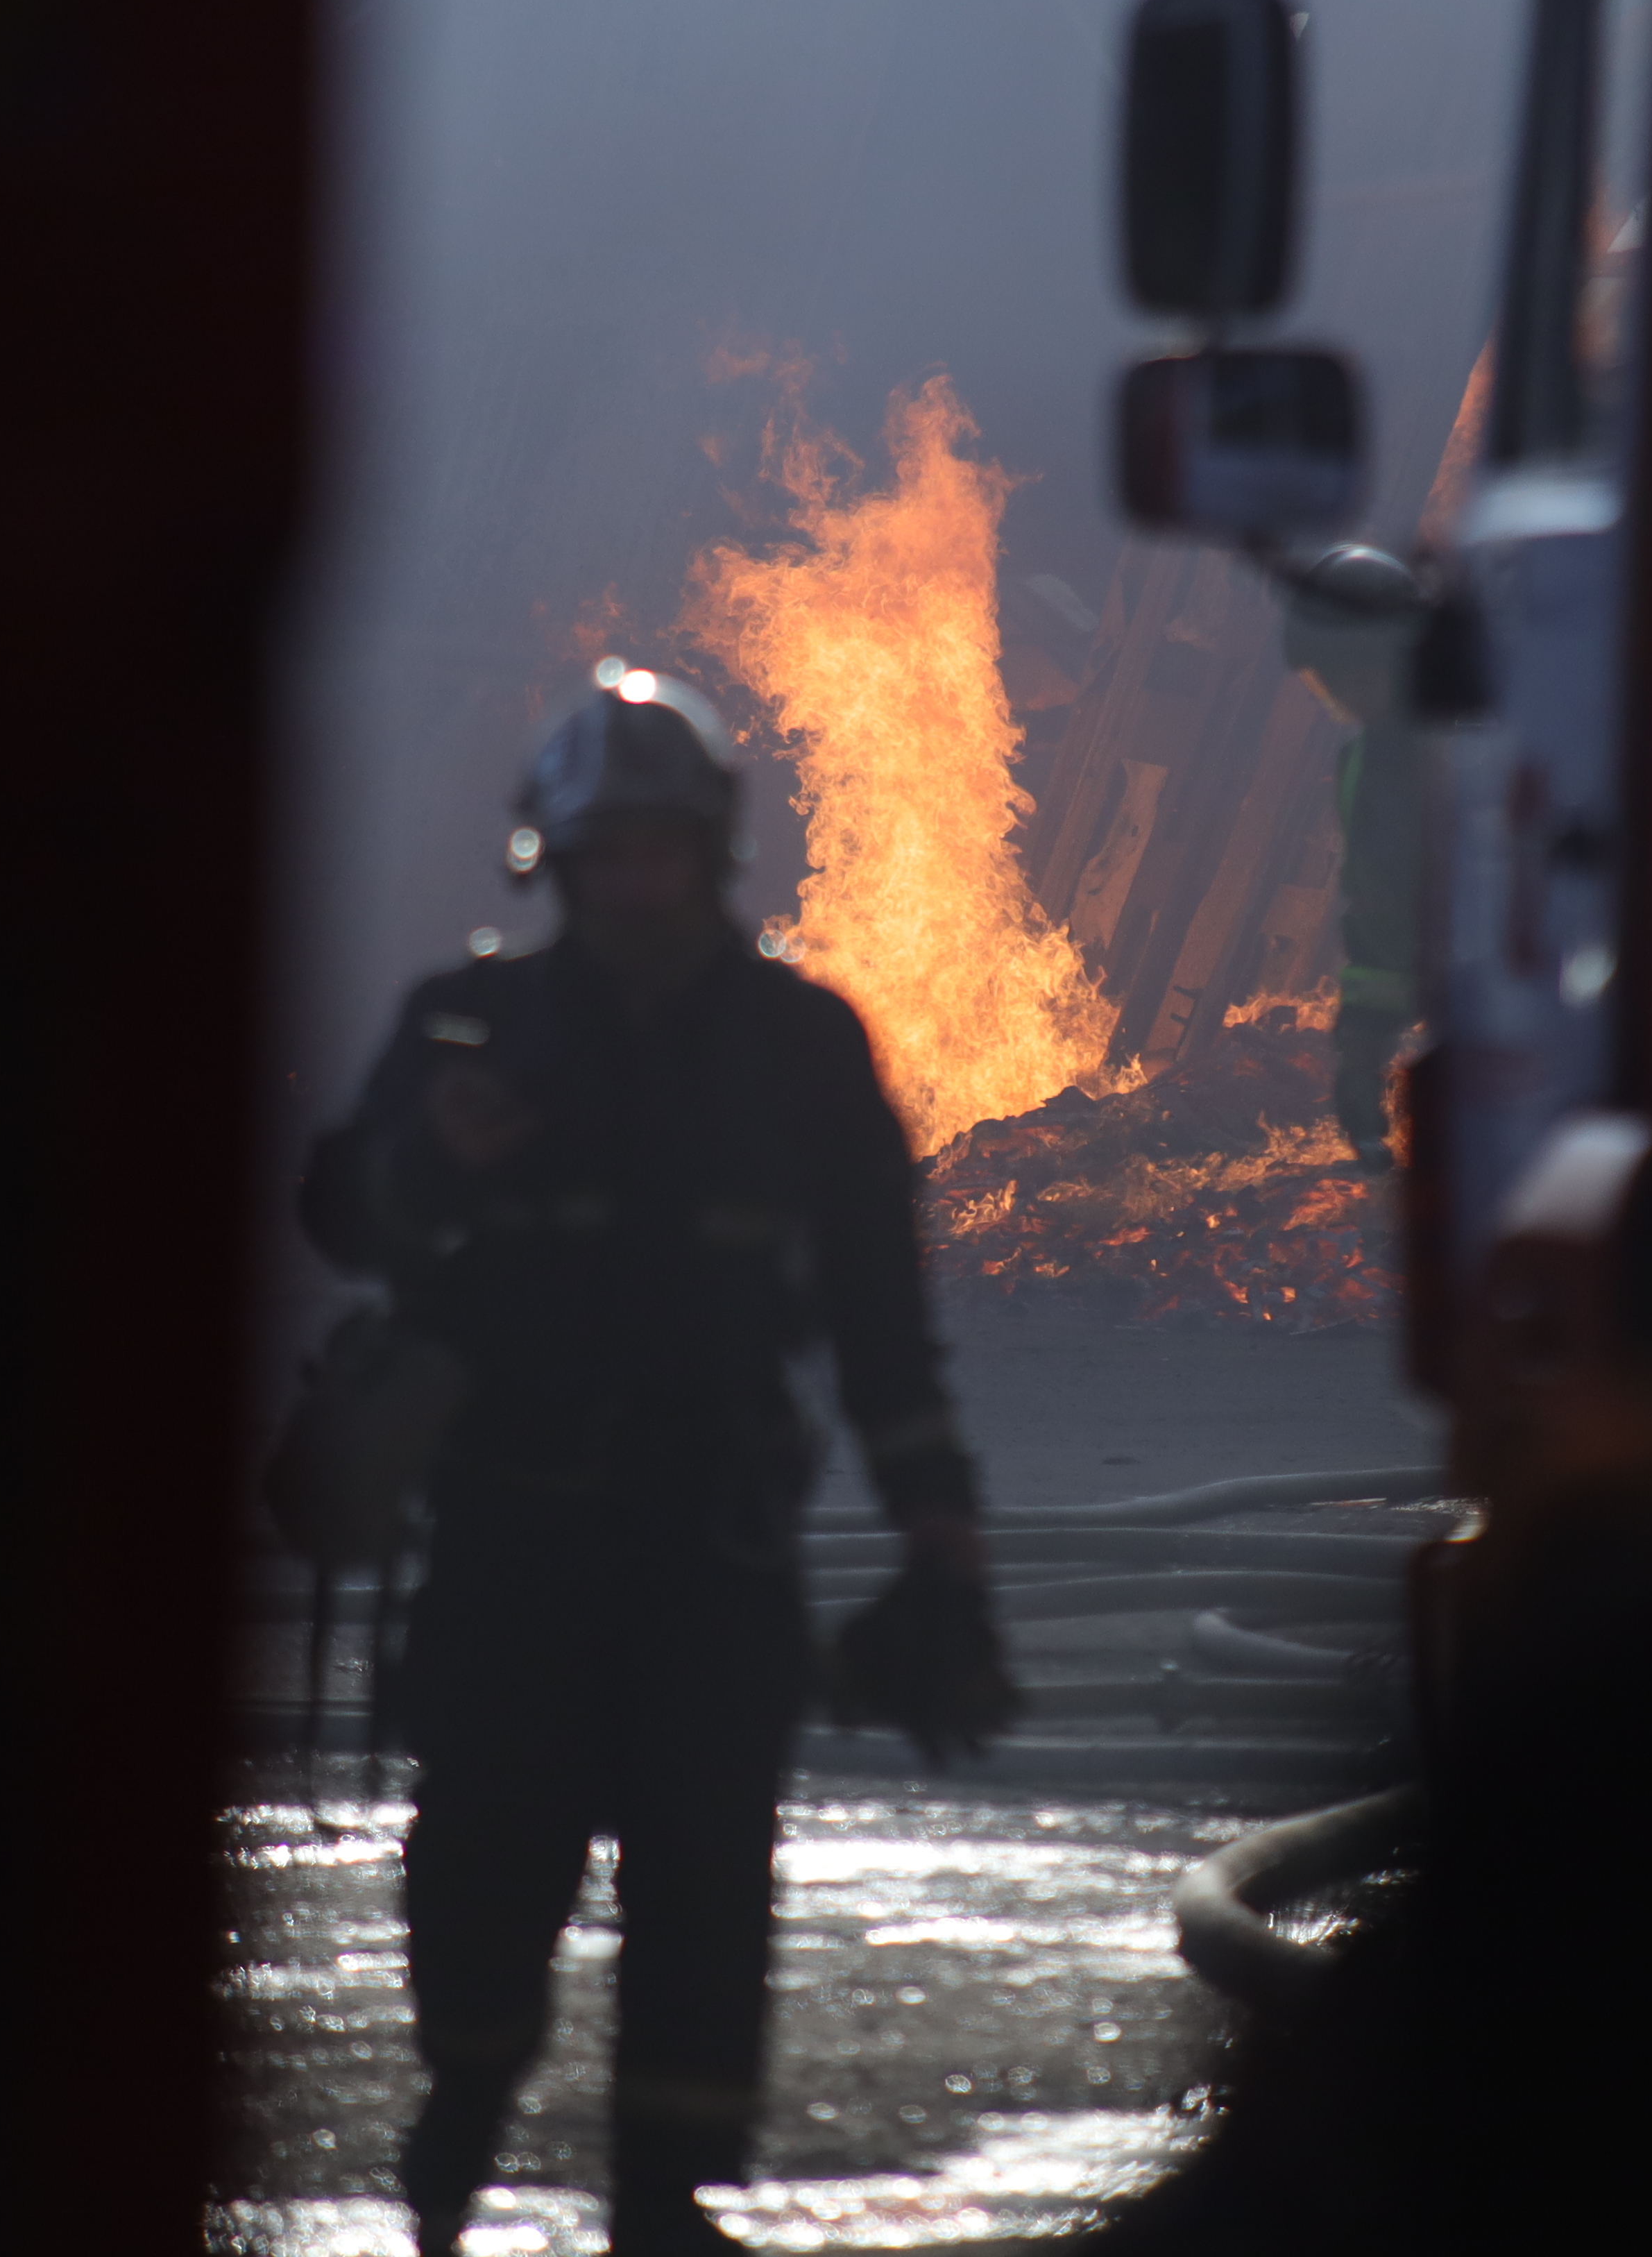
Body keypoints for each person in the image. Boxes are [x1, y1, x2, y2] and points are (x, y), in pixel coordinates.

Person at [298, 666, 998, 2256]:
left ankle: (664, 2204)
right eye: (604, 852)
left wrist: (937, 1525)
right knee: (479, 1872)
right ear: (550, 858)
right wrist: (430, 1159)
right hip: (507, 1539)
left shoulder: (802, 1047)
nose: (633, 880)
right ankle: (462, 2109)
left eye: (660, 850)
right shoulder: (463, 1028)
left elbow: (881, 1318)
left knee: (703, 1887)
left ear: (710, 852)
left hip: (707, 1546)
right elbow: (338, 1217)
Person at [1282, 545, 1427, 1163]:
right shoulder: (1363, 767)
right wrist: (1363, 1050)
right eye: (1325, 679)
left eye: (1344, 673)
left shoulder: (1492, 738)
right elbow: (1379, 912)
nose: (1336, 694)